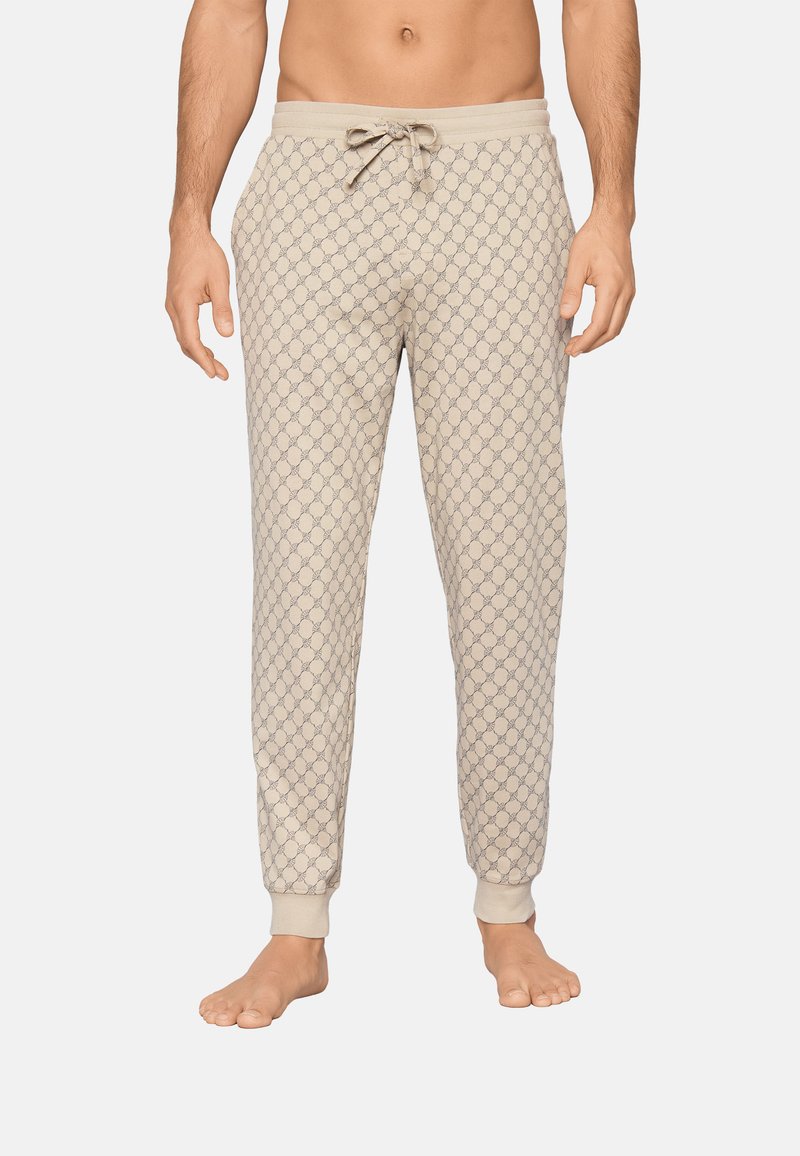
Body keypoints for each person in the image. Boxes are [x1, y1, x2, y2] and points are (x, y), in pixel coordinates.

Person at [166, 0, 639, 1028]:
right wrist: (188, 216)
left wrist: (613, 207)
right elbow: (230, 11)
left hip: (498, 173)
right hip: (314, 175)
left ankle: (507, 905)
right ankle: (296, 926)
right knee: (301, 562)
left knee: (506, 556)